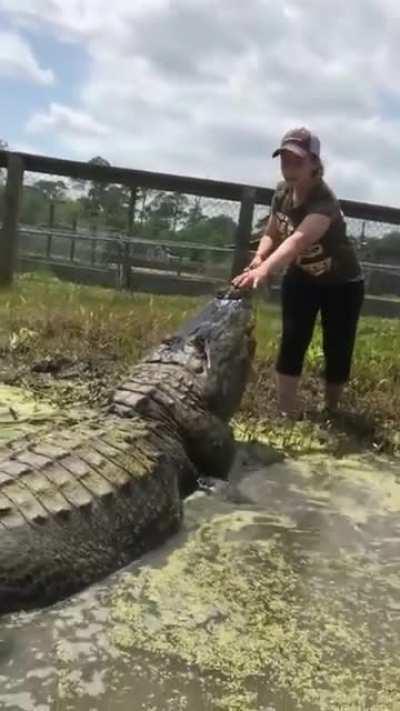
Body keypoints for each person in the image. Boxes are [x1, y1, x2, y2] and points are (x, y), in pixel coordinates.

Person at [232, 127, 364, 419]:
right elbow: (274, 230)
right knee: (293, 339)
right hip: (302, 277)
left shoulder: (323, 203)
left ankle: (330, 410)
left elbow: (296, 241)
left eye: (298, 160)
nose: (289, 166)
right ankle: (285, 414)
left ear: (315, 163)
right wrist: (259, 258)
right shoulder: (281, 192)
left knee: (337, 346)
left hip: (342, 283)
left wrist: (266, 269)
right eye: (285, 159)